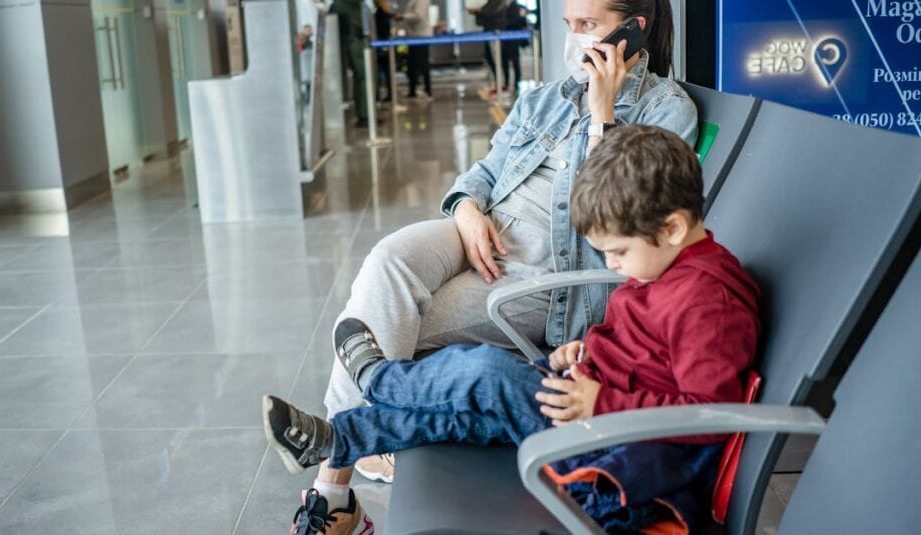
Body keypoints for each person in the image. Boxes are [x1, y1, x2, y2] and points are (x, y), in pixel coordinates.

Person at [284, 0, 697, 531]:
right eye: (569, 26)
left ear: (634, 32)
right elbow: (482, 171)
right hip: (480, 234)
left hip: (542, 277)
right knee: (388, 261)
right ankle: (352, 463)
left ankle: (331, 493)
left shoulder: (667, 110)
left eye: (588, 27)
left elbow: (615, 220)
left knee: (385, 325)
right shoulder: (545, 100)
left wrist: (602, 115)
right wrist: (468, 209)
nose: (574, 41)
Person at [265, 125, 761, 534]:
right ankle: (335, 440)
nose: (614, 266)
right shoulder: (665, 269)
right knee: (460, 413)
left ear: (673, 228)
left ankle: (378, 380)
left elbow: (711, 414)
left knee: (484, 372)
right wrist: (582, 352)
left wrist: (600, 404)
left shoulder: (707, 301)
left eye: (618, 252)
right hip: (589, 418)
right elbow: (644, 356)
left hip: (613, 459)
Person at [330, 0, 370, 128]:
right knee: (363, 77)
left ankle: (364, 114)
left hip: (353, 41)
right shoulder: (351, 5)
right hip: (355, 41)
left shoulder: (339, 5)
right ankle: (364, 114)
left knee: (362, 77)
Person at [399, 0, 433, 101]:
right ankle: (412, 91)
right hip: (413, 36)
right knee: (411, 65)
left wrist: (403, 16)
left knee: (423, 64)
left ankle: (428, 91)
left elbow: (418, 16)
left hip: (420, 36)